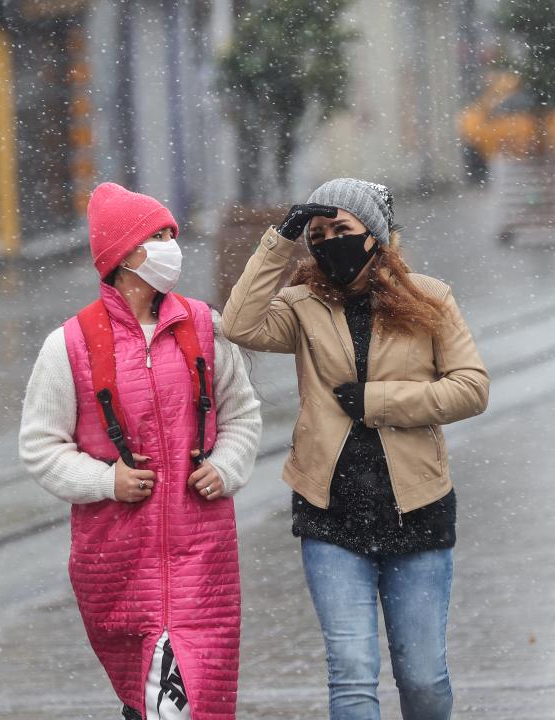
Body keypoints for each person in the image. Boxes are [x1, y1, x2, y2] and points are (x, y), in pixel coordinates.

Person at [221, 178, 488, 719]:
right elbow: (238, 323)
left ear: (376, 234)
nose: (328, 242)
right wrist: (282, 237)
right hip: (329, 509)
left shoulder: (431, 297)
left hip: (416, 506)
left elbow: (471, 387)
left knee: (423, 679)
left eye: (342, 230)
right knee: (351, 674)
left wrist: (377, 401)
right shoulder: (302, 304)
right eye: (318, 234)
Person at [20, 182, 262, 720]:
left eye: (171, 234)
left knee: (191, 703)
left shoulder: (205, 328)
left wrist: (225, 467)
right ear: (125, 253)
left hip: (204, 557)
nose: (173, 246)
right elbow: (40, 447)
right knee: (152, 702)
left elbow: (241, 413)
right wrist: (108, 481)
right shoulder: (70, 345)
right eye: (159, 236)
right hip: (118, 557)